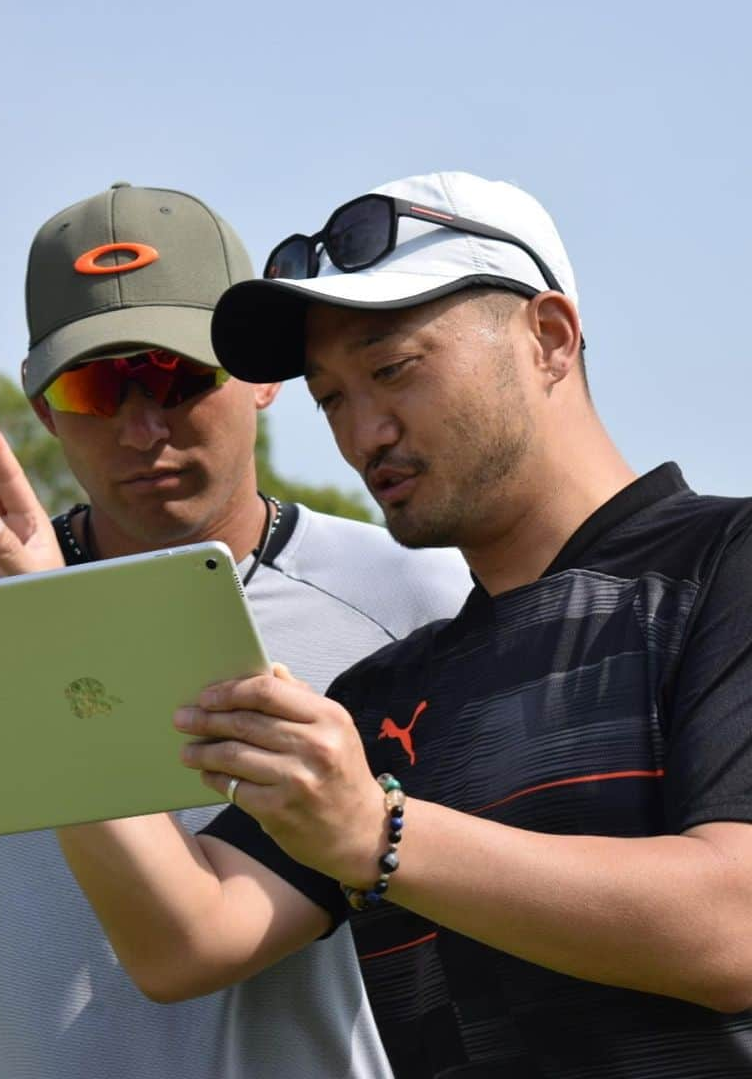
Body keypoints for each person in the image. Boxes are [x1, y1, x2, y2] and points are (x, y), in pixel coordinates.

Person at [0, 182, 470, 1078]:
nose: (143, 427)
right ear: (43, 407)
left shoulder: (418, 594)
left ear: (263, 376)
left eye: (179, 374)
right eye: (97, 384)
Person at [44, 172, 752, 1076]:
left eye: (392, 368)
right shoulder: (383, 696)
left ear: (549, 338)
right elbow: (184, 940)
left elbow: (735, 923)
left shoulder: (724, 565)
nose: (363, 432)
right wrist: (44, 635)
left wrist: (380, 837)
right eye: (331, 395)